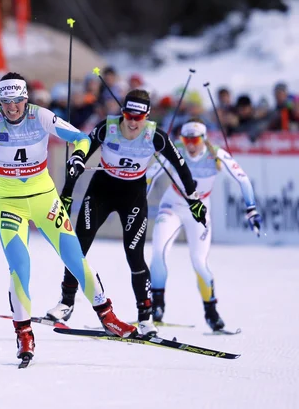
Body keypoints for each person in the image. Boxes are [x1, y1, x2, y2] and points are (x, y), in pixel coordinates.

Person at [0, 72, 136, 366]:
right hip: (9, 203)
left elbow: (81, 138)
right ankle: (24, 334)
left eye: (17, 101)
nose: (12, 108)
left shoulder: (41, 117)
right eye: (6, 101)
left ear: (26, 99)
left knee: (75, 258)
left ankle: (107, 316)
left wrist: (78, 157)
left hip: (44, 198)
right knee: (20, 266)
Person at [47, 89, 208, 337]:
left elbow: (181, 166)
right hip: (102, 189)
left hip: (132, 195)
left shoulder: (155, 136)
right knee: (77, 247)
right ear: (122, 112)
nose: (132, 122)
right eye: (128, 115)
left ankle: (145, 317)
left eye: (138, 117)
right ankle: (66, 302)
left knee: (134, 255)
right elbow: (78, 160)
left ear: (147, 115)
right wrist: (67, 193)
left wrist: (193, 199)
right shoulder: (107, 128)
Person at [146, 119, 260, 331]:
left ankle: (211, 312)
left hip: (199, 210)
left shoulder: (215, 154)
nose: (189, 144)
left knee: (199, 262)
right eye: (186, 138)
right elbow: (149, 176)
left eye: (194, 139)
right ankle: (157, 306)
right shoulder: (174, 150)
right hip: (172, 205)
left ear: (203, 139)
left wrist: (251, 208)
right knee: (158, 252)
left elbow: (243, 180)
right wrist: (139, 205)